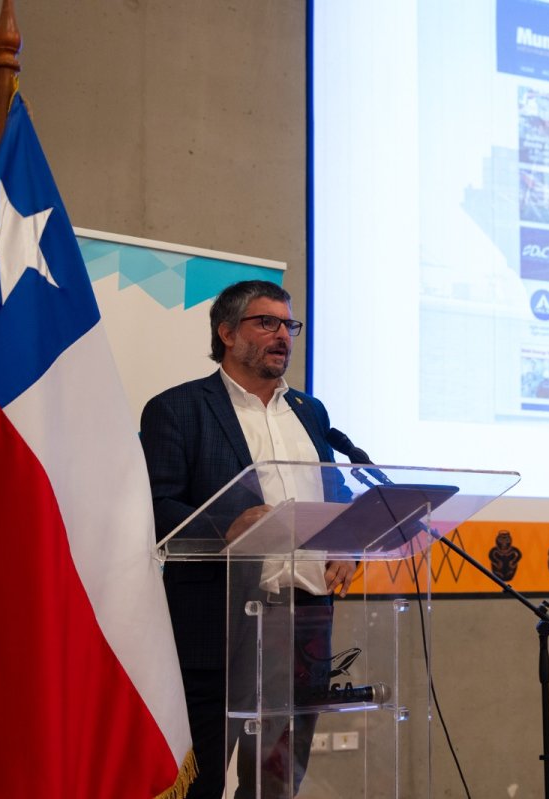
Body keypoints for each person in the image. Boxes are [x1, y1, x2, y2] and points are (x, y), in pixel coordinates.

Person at [140, 280, 355, 798]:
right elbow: (156, 507)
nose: (283, 335)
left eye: (289, 325)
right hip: (220, 617)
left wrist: (347, 545)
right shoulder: (179, 408)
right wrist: (228, 528)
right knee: (201, 779)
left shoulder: (309, 411)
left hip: (304, 617)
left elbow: (334, 491)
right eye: (267, 322)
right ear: (227, 333)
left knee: (277, 780)